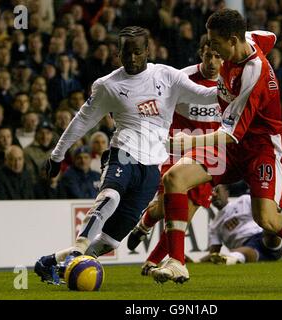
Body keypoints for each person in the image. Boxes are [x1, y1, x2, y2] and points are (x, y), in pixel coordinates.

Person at [149, 9, 282, 288]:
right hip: (231, 146)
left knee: (266, 218)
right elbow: (271, 36)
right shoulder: (249, 39)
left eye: (216, 44)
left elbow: (230, 135)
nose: (211, 50)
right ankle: (177, 263)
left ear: (232, 40)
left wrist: (183, 142)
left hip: (260, 149)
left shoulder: (253, 74)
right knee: (174, 178)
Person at [34, 26, 217, 284]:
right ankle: (77, 251)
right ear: (118, 53)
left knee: (110, 240)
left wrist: (239, 86)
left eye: (138, 53)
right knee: (109, 197)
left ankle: (51, 262)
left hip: (153, 167)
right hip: (124, 153)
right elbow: (81, 121)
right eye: (126, 53)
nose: (132, 59)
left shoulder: (167, 76)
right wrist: (57, 155)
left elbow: (206, 95)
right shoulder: (108, 86)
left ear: (147, 52)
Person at [123, 35, 223, 270]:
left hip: (211, 156)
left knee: (183, 218)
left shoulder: (231, 83)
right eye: (208, 55)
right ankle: (145, 224)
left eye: (218, 57)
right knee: (167, 207)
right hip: (176, 151)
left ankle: (152, 262)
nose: (212, 62)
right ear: (201, 54)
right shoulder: (183, 77)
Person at [200, 185, 282, 265]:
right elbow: (214, 254)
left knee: (270, 228)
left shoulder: (244, 200)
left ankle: (232, 258)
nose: (214, 194)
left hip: (262, 237)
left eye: (216, 190)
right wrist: (198, 261)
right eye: (210, 193)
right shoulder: (214, 226)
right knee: (240, 252)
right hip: (245, 248)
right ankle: (233, 257)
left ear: (227, 192)